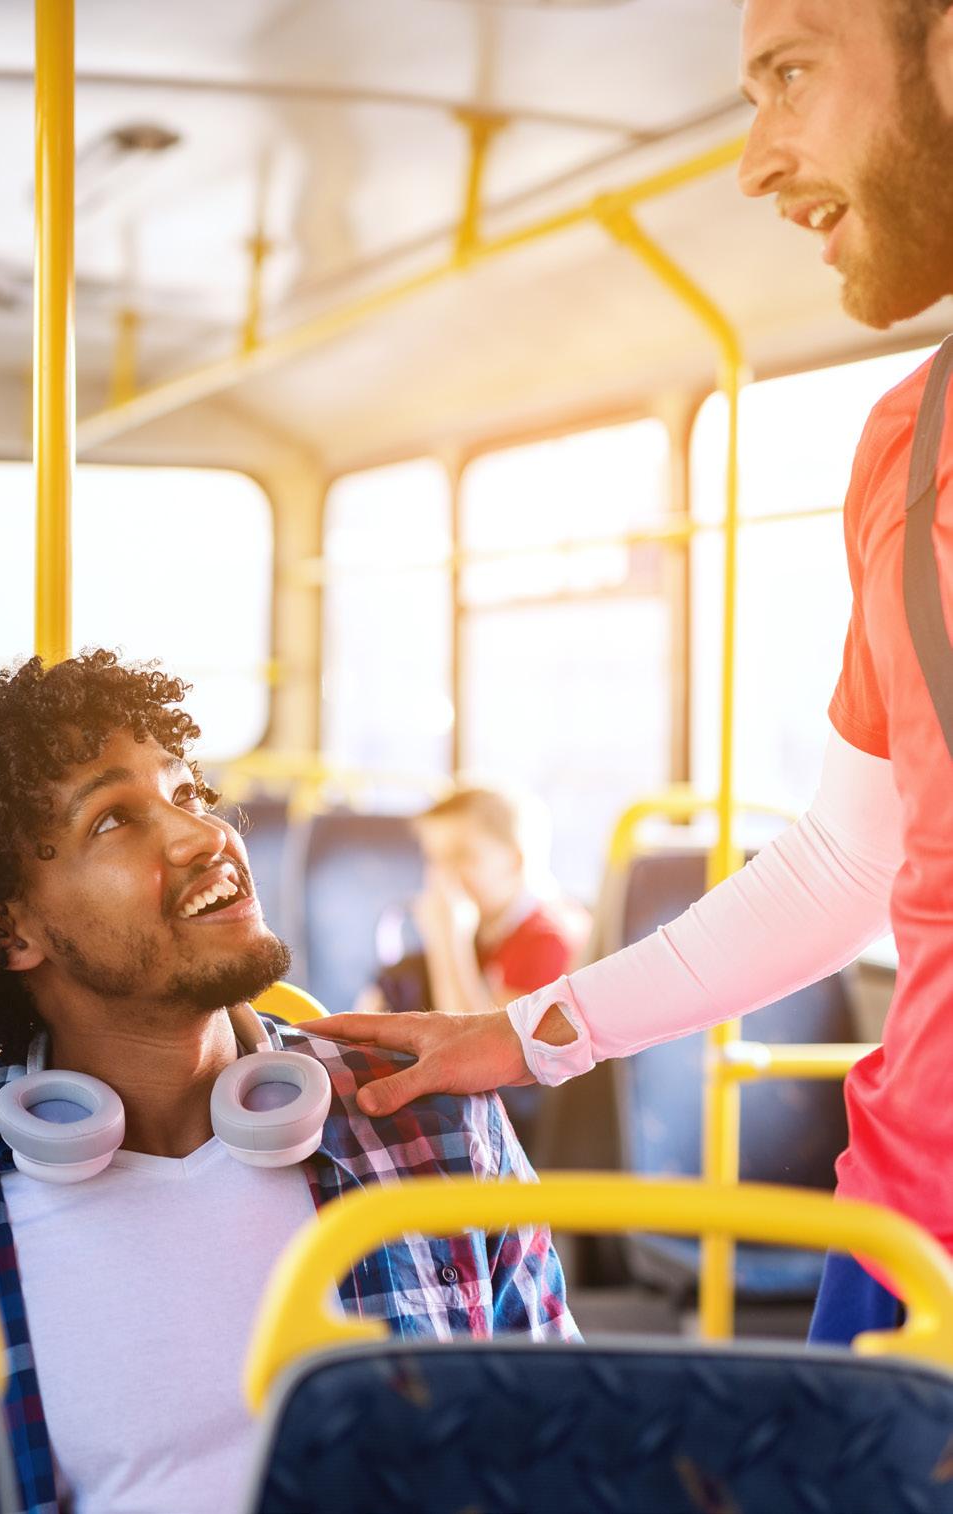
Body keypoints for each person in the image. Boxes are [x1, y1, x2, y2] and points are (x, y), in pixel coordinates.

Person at [312, 0, 953, 1349]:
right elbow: (849, 865)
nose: (755, 159)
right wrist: (529, 1031)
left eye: (790, 74)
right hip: (904, 1231)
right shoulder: (904, 443)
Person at [0, 651, 576, 1514]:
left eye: (186, 794)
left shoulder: (430, 1116)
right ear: (11, 934)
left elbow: (559, 1446)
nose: (204, 834)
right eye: (113, 820)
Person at [363, 787, 589, 1018]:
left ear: (515, 862)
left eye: (462, 856)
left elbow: (481, 1047)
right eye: (434, 859)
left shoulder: (547, 940)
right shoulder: (490, 925)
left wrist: (449, 940)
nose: (444, 877)